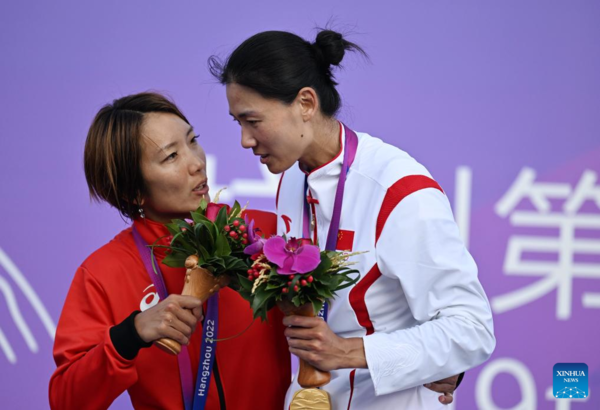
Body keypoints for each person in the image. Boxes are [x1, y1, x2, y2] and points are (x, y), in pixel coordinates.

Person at [210, 29, 496, 409]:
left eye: (253, 121)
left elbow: (472, 330)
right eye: (238, 123)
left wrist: (347, 352)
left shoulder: (399, 191)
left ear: (306, 103)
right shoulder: (293, 176)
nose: (245, 140)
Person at [48, 92, 291, 410]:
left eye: (193, 141)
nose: (197, 163)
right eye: (171, 157)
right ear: (132, 191)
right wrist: (129, 335)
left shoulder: (265, 233)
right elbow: (67, 400)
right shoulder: (104, 272)